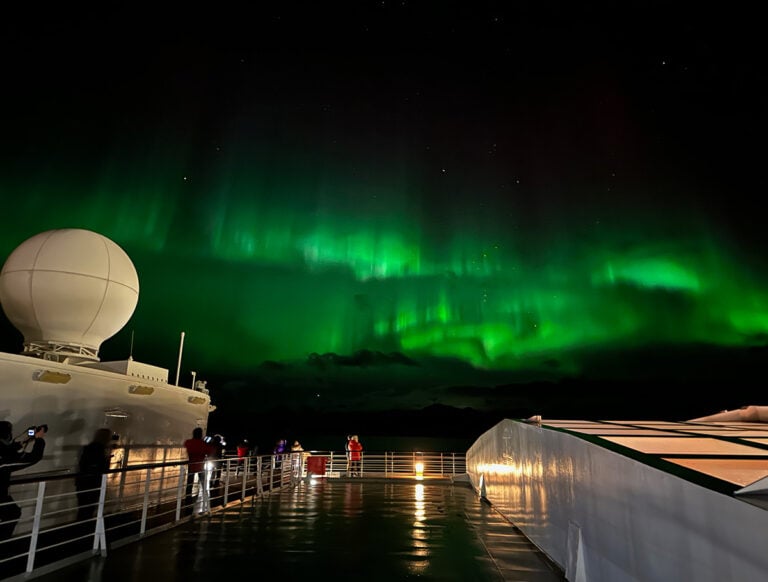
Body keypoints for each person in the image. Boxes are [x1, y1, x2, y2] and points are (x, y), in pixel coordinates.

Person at [0, 421, 47, 539]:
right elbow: (32, 458)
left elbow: (9, 448)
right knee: (12, 513)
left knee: (11, 511)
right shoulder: (5, 455)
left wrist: (26, 438)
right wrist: (39, 439)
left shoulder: (4, 450)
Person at [74, 428, 113, 522]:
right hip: (93, 483)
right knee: (89, 509)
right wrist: (108, 458)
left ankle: (79, 529)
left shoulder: (88, 448)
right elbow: (104, 469)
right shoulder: (101, 450)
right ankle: (84, 530)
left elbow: (82, 464)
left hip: (82, 483)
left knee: (82, 508)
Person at [183, 427, 215, 514]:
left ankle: (187, 501)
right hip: (201, 466)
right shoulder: (203, 444)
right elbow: (210, 451)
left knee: (189, 485)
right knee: (204, 484)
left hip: (191, 465)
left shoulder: (188, 442)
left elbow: (187, 447)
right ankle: (206, 500)